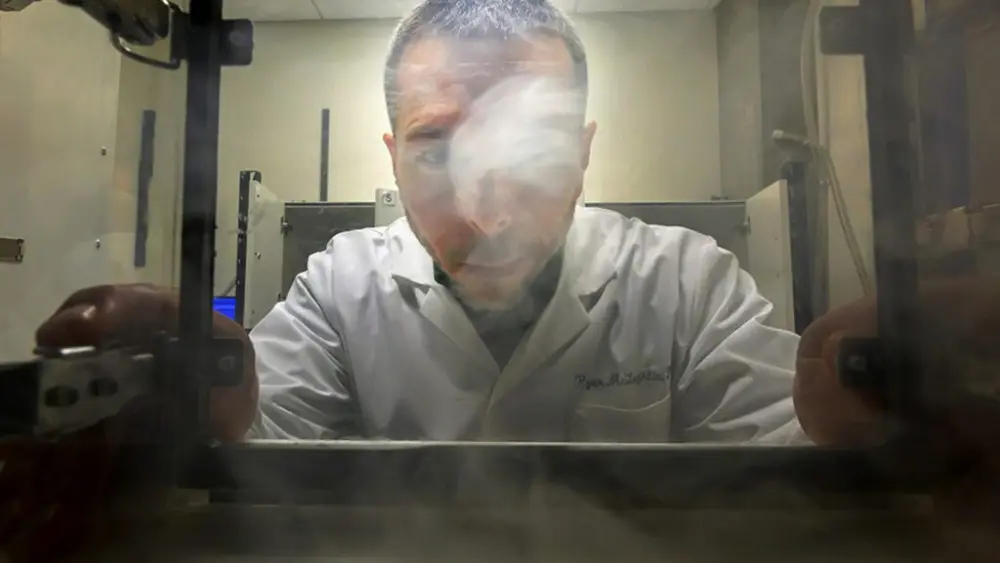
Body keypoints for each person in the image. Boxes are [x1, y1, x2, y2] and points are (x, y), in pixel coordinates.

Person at [35, 0, 885, 445]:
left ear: (586, 152)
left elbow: (792, 452)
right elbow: (256, 433)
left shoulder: (688, 283)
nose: (489, 209)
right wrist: (191, 408)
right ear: (392, 152)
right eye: (438, 149)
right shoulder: (341, 284)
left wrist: (868, 415)